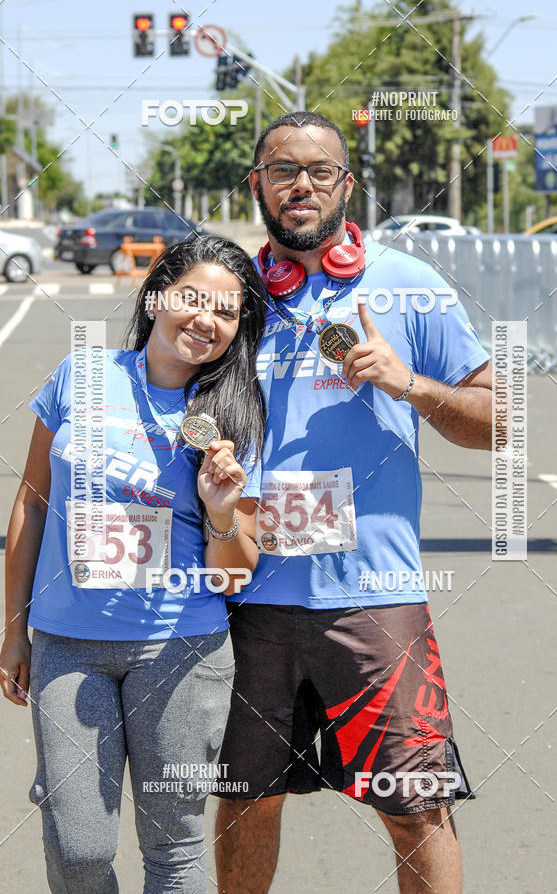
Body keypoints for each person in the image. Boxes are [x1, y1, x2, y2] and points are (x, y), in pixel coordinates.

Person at [214, 113, 493, 894]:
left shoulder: (409, 285)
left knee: (415, 805)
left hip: (375, 602)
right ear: (256, 184)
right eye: (281, 170)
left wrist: (409, 383)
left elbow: (502, 422)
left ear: (348, 184)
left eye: (320, 170)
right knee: (245, 800)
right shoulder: (229, 297)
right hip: (249, 598)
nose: (301, 184)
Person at [0, 235, 266, 893]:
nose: (205, 320)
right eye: (193, 299)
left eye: (226, 313)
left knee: (175, 846)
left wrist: (221, 508)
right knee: (78, 843)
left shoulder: (229, 418)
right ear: (157, 297)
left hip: (182, 650)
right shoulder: (80, 375)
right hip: (68, 644)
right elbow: (31, 504)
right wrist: (13, 626)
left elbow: (234, 574)